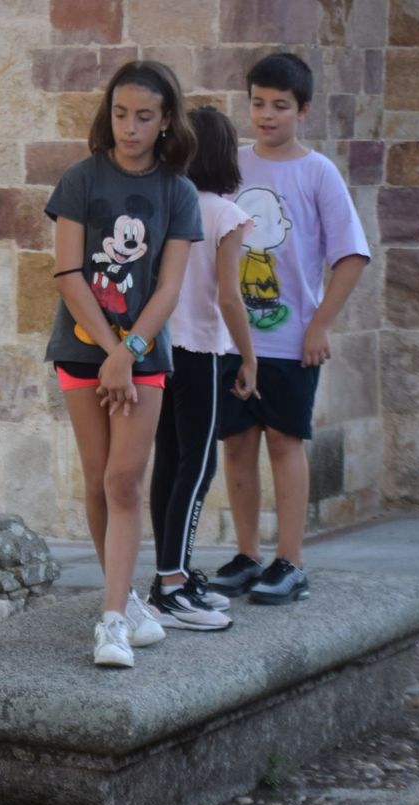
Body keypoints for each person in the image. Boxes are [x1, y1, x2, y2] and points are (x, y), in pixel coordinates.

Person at [44, 59, 202, 668]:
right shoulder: (81, 179)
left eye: (143, 117)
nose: (129, 127)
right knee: (96, 479)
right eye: (119, 114)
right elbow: (67, 273)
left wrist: (130, 353)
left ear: (165, 122)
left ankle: (111, 621)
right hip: (83, 351)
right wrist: (111, 354)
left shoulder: (177, 192)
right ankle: (126, 599)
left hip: (145, 355)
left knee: (124, 481)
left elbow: (168, 288)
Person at [208, 52, 370, 605]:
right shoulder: (230, 167)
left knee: (284, 440)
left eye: (280, 105)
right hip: (232, 338)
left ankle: (291, 560)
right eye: (257, 103)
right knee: (236, 443)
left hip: (291, 339)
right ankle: (248, 554)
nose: (267, 115)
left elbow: (351, 255)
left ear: (303, 110)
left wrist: (320, 324)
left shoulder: (317, 172)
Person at [146, 105, 259, 631]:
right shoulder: (225, 214)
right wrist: (249, 357)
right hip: (198, 351)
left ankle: (173, 574)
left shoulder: (169, 202)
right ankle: (172, 584)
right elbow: (231, 299)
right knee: (198, 464)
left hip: (159, 348)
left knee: (170, 462)